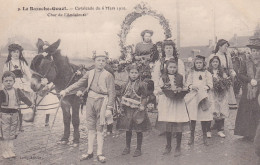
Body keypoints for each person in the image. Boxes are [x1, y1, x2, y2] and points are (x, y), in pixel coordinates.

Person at [60, 50, 115, 163]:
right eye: (98, 60)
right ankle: (90, 152)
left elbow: (112, 92)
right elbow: (79, 83)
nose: (100, 63)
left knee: (100, 129)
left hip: (102, 101)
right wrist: (66, 90)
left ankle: (99, 153)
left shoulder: (108, 75)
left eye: (103, 61)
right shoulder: (89, 73)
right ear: (94, 61)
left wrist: (109, 108)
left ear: (106, 62)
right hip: (90, 101)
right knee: (90, 128)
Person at [117, 63, 152, 157]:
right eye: (132, 72)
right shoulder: (125, 85)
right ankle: (127, 147)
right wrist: (121, 106)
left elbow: (145, 97)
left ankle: (138, 148)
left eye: (136, 72)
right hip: (128, 110)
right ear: (128, 73)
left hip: (137, 110)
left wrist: (143, 105)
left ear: (139, 74)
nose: (133, 74)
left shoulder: (142, 84)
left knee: (138, 130)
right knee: (128, 129)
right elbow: (122, 96)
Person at [152, 40, 185, 136]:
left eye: (170, 48)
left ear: (173, 49)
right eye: (167, 48)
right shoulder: (160, 62)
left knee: (175, 108)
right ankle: (165, 128)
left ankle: (175, 129)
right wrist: (157, 88)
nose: (169, 50)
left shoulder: (179, 61)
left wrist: (179, 87)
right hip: (164, 88)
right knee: (164, 108)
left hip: (175, 88)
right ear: (164, 50)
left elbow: (182, 75)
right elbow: (156, 75)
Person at [156, 59, 189, 156]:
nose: (172, 69)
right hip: (167, 103)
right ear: (167, 68)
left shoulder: (180, 77)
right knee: (168, 124)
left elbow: (185, 87)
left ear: (177, 68)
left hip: (178, 102)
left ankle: (178, 146)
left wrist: (181, 89)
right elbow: (158, 88)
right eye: (170, 67)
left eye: (174, 67)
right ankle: (168, 145)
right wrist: (162, 91)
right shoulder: (163, 77)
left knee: (178, 124)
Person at [0, 71, 33, 158]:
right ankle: (4, 151)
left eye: (10, 80)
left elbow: (24, 98)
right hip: (4, 115)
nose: (8, 83)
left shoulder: (17, 91)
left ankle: (10, 150)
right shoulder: (1, 92)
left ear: (14, 81)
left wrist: (31, 105)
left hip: (15, 114)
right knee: (4, 134)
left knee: (12, 134)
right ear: (2, 82)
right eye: (6, 81)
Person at [234, 33, 260, 141]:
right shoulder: (246, 62)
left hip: (259, 91)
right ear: (251, 52)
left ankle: (256, 134)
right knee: (246, 111)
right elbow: (240, 74)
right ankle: (246, 133)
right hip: (247, 91)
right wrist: (249, 80)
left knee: (257, 111)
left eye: (258, 51)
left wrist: (257, 81)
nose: (256, 53)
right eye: (253, 51)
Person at [3, 44, 33, 131]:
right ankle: (13, 123)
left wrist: (31, 83)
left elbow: (28, 74)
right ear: (10, 53)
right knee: (13, 105)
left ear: (20, 53)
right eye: (13, 52)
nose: (16, 54)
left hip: (22, 84)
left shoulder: (22, 63)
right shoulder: (7, 64)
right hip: (12, 84)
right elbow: (5, 76)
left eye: (17, 52)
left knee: (21, 106)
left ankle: (20, 125)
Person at [185, 55, 213, 146]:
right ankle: (191, 136)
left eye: (200, 63)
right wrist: (191, 86)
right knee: (193, 117)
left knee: (204, 117)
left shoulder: (207, 73)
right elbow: (188, 84)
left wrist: (205, 87)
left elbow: (210, 84)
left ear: (203, 63)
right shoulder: (191, 73)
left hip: (203, 97)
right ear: (194, 64)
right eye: (197, 63)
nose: (199, 65)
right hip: (193, 97)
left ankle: (204, 136)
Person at [207, 39, 237, 110]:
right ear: (220, 46)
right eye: (225, 46)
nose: (226, 48)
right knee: (215, 101)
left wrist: (232, 73)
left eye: (227, 47)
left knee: (225, 102)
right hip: (215, 79)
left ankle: (224, 118)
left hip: (225, 80)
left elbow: (230, 68)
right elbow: (208, 69)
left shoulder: (228, 56)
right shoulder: (213, 56)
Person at [207, 56, 231, 138]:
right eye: (213, 62)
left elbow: (226, 80)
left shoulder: (222, 72)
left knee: (221, 111)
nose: (215, 63)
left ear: (219, 63)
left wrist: (223, 84)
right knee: (211, 110)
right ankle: (208, 130)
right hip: (211, 93)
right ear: (211, 63)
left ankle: (220, 130)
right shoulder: (208, 72)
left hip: (220, 94)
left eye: (217, 62)